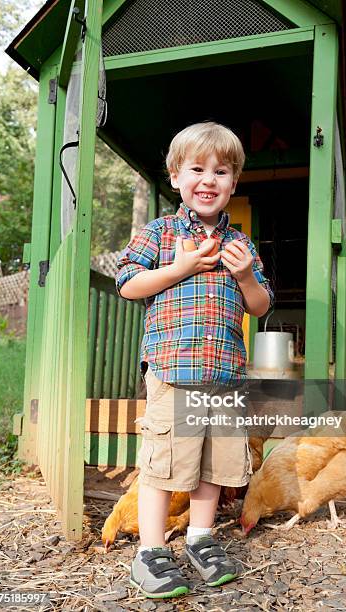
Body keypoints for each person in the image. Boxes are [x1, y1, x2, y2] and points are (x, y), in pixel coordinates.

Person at [116, 121, 273, 598]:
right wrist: (180, 267)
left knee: (214, 461)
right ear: (175, 176)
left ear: (233, 182)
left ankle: (200, 540)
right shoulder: (160, 233)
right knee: (166, 462)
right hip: (174, 371)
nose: (209, 179)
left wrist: (246, 276)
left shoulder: (241, 245)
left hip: (223, 376)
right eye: (197, 169)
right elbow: (127, 283)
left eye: (221, 171)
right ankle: (150, 551)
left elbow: (261, 305)